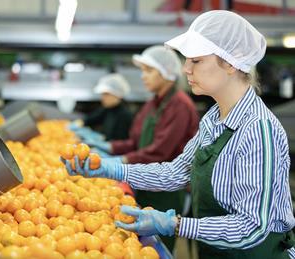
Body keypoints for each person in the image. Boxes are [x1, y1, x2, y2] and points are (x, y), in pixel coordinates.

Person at [62, 10, 295, 259]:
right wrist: (112, 170)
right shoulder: (214, 119)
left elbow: (252, 228)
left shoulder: (257, 130)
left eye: (196, 61)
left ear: (230, 63)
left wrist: (176, 225)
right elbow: (175, 173)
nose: (185, 69)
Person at [76, 45, 200, 251]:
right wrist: (107, 147)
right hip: (144, 180)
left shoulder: (179, 105)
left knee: (158, 248)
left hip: (167, 190)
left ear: (167, 73)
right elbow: (134, 141)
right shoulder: (152, 105)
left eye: (148, 71)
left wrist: (120, 162)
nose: (143, 77)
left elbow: (160, 151)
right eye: (142, 70)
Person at [70, 73, 133, 142]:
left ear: (117, 94)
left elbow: (121, 141)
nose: (103, 98)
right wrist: (78, 124)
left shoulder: (125, 115)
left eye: (106, 94)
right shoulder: (107, 109)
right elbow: (90, 119)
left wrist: (101, 143)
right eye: (102, 94)